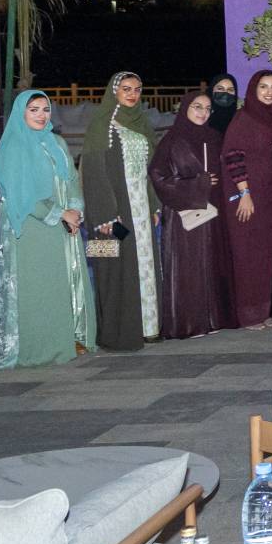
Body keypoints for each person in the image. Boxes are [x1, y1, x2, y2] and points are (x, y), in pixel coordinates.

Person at [0, 91, 94, 369]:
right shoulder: (13, 148)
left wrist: (75, 210)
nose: (41, 115)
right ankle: (42, 346)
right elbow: (23, 196)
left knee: (65, 280)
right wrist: (60, 213)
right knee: (40, 287)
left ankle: (72, 337)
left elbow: (70, 178)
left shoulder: (56, 142)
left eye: (45, 109)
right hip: (32, 228)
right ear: (21, 113)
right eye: (34, 109)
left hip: (65, 224)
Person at [79, 71, 161, 351]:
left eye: (137, 89)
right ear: (114, 91)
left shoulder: (141, 124)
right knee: (113, 266)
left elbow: (148, 171)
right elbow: (93, 173)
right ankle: (117, 334)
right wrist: (105, 215)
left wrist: (154, 204)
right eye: (126, 89)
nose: (132, 94)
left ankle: (147, 327)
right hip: (113, 212)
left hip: (140, 208)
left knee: (143, 266)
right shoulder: (102, 125)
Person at [149, 91, 235, 339]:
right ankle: (189, 323)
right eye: (197, 107)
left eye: (207, 108)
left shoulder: (214, 137)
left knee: (211, 263)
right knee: (189, 267)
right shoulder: (172, 140)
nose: (202, 112)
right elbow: (158, 176)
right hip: (185, 214)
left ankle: (213, 318)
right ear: (185, 108)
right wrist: (198, 183)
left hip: (215, 212)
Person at [223, 69, 272, 329]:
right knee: (246, 254)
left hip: (270, 195)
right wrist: (244, 194)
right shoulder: (244, 117)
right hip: (247, 195)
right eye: (263, 87)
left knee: (265, 253)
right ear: (253, 89)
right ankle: (247, 314)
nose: (269, 92)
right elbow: (232, 156)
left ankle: (263, 309)